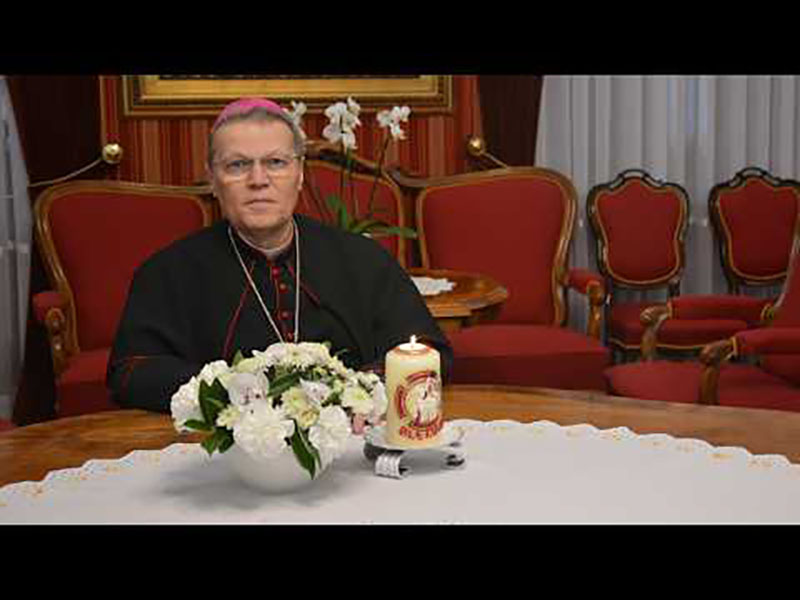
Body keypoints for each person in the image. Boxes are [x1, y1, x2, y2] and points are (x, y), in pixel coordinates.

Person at [107, 98, 452, 413]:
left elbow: (428, 349)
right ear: (213, 179)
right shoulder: (168, 271)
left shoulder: (362, 258)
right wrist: (235, 391)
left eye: (275, 162)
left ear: (299, 174)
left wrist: (354, 391)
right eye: (237, 165)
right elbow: (131, 371)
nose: (258, 179)